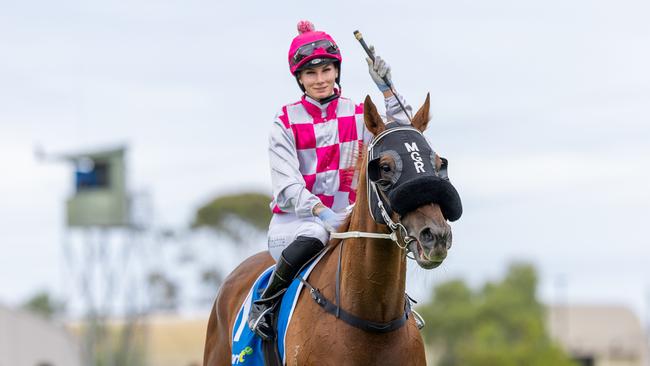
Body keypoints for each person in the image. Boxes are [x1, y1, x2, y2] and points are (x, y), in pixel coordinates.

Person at [247, 20, 413, 340]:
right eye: (310, 73)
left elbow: (405, 132)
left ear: (336, 71)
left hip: (350, 220)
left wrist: (387, 88)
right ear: (299, 78)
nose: (320, 80)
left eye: (326, 70)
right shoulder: (285, 120)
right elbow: (287, 186)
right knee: (314, 232)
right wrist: (322, 213)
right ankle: (265, 304)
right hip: (295, 223)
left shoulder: (359, 112)